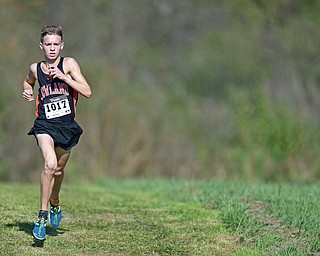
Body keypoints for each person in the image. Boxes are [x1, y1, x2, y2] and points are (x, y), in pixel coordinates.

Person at [22, 25, 92, 240]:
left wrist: (65, 77)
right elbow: (28, 82)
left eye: (55, 44)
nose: (52, 48)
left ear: (61, 45)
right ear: (41, 46)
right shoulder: (35, 68)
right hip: (44, 125)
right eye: (48, 44)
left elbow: (87, 91)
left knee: (58, 171)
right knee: (49, 164)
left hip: (67, 126)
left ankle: (54, 201)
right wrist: (26, 90)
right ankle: (42, 216)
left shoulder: (69, 64)